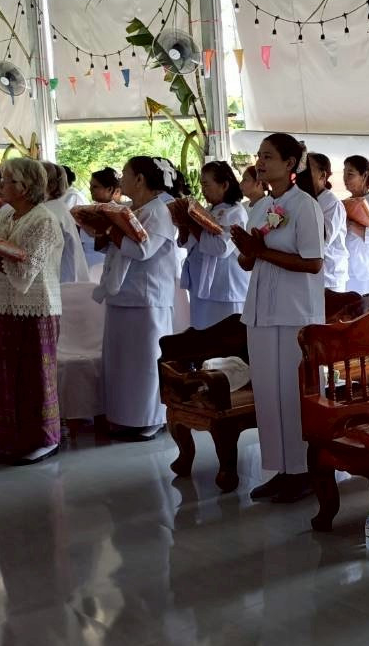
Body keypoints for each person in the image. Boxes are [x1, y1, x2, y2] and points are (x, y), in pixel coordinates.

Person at [230, 134, 325, 503]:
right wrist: (247, 252)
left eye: (268, 156)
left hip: (294, 312)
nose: (261, 162)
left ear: (290, 164)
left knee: (291, 392)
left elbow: (314, 263)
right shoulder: (260, 206)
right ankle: (280, 468)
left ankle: (302, 470)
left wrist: (261, 252)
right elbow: (249, 261)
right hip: (260, 311)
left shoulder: (305, 206)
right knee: (268, 393)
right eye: (259, 156)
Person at [0, 158, 64, 464]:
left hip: (36, 307)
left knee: (33, 376)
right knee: (3, 375)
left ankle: (42, 440)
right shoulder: (7, 215)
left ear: (26, 187)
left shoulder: (43, 219)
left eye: (7, 181)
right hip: (1, 304)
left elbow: (26, 273)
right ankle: (8, 439)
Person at [95, 156, 180, 441]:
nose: (121, 179)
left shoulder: (158, 211)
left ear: (140, 180)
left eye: (125, 174)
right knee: (121, 360)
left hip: (148, 296)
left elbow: (144, 250)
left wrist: (112, 230)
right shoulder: (132, 209)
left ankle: (150, 418)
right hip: (123, 294)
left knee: (145, 361)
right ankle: (123, 415)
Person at [179, 161, 249, 329]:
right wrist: (183, 223)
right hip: (202, 286)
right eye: (201, 184)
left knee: (223, 340)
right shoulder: (209, 210)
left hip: (224, 287)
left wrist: (192, 225)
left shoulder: (235, 211)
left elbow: (221, 248)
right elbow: (189, 243)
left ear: (224, 185)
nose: (203, 189)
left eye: (206, 184)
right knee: (202, 336)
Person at [297, 152, 349, 294]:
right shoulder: (300, 199)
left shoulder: (331, 203)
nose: (301, 172)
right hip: (304, 276)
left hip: (328, 278)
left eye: (307, 168)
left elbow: (321, 241)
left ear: (322, 175)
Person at [41, 163, 88, 283]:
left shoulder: (50, 211)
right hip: (61, 279)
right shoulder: (51, 207)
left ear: (48, 184)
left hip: (62, 281)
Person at [341, 156, 369, 296]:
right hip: (347, 267)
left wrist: (356, 227)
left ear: (364, 176)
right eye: (344, 173)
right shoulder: (344, 203)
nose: (345, 178)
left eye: (350, 174)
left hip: (367, 268)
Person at [82, 167, 121, 271]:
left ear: (110, 189)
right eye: (90, 186)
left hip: (104, 262)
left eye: (95, 186)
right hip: (93, 261)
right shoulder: (92, 210)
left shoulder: (118, 212)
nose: (90, 189)